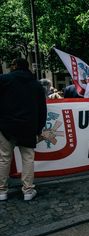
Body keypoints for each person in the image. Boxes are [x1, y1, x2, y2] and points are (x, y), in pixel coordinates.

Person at [0, 58, 47, 201]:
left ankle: (2, 191)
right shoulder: (36, 85)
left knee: (4, 158)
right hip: (28, 126)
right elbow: (42, 109)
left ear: (14, 66)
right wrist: (39, 129)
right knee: (28, 159)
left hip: (6, 126)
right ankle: (27, 190)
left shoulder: (4, 79)